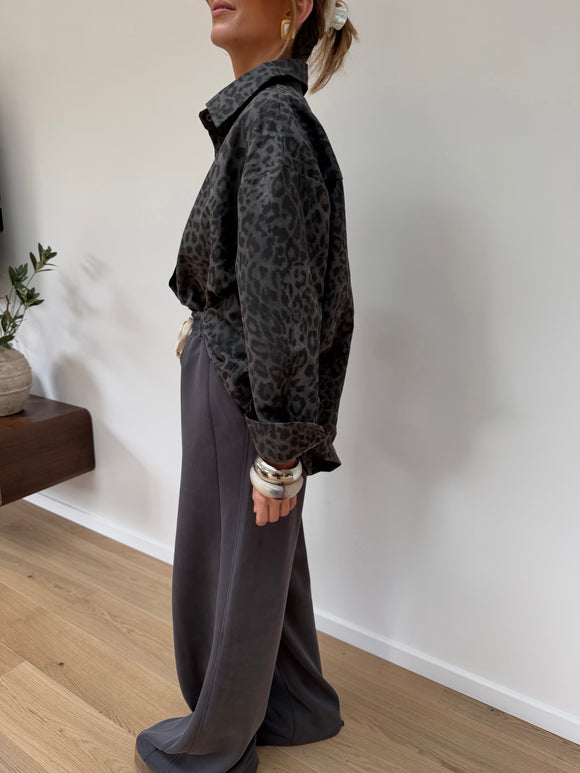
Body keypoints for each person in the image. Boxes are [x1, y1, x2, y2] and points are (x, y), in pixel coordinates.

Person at [135, 1, 356, 771]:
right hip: (242, 376)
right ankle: (296, 704)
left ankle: (215, 746)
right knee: (264, 556)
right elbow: (257, 270)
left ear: (294, 9)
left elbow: (283, 289)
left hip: (244, 389)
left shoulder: (273, 123)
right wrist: (205, 321)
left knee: (231, 567)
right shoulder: (267, 118)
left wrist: (279, 445)